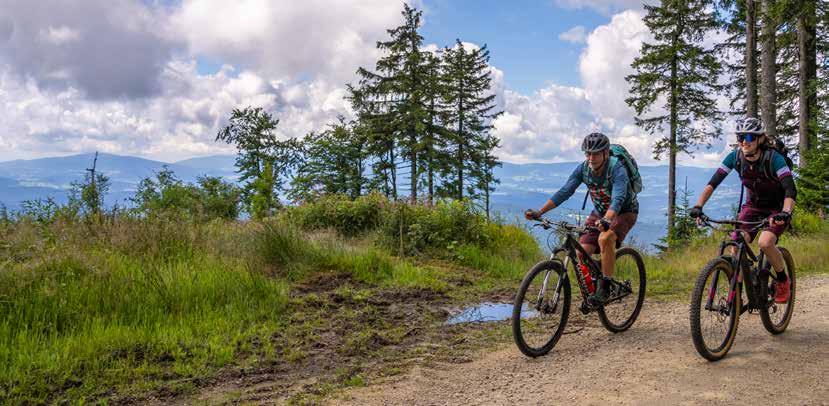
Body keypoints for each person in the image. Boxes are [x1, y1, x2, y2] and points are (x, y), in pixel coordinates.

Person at [689, 117, 796, 303]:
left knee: (765, 243)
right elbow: (713, 183)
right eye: (740, 137)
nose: (744, 142)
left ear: (760, 139)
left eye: (749, 137)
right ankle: (736, 297)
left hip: (776, 208)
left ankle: (782, 280)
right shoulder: (735, 157)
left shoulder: (774, 158)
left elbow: (790, 189)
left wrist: (785, 213)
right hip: (753, 207)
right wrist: (699, 206)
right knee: (735, 244)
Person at [525, 132, 639, 305]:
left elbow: (618, 199)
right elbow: (565, 191)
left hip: (624, 212)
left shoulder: (616, 169)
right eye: (588, 153)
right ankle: (600, 275)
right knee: (581, 253)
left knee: (605, 238)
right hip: (599, 213)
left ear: (605, 153)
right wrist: (540, 212)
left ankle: (605, 288)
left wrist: (608, 219)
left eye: (596, 154)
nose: (591, 158)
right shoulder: (584, 169)